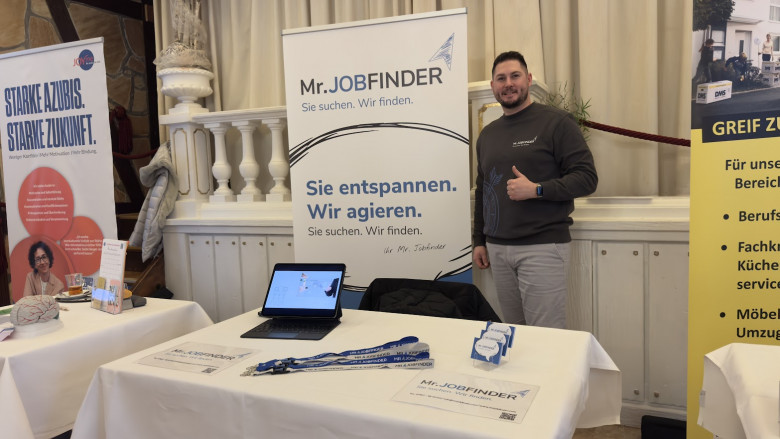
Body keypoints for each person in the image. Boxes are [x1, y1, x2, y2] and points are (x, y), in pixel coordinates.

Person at [472, 51, 597, 329]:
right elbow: (483, 190)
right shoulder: (488, 135)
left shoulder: (557, 122)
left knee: (545, 335)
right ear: (493, 86)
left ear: (528, 79)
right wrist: (479, 239)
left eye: (515, 76)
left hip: (542, 247)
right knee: (515, 334)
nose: (508, 84)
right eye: (501, 78)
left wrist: (537, 190)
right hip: (497, 250)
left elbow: (587, 178)